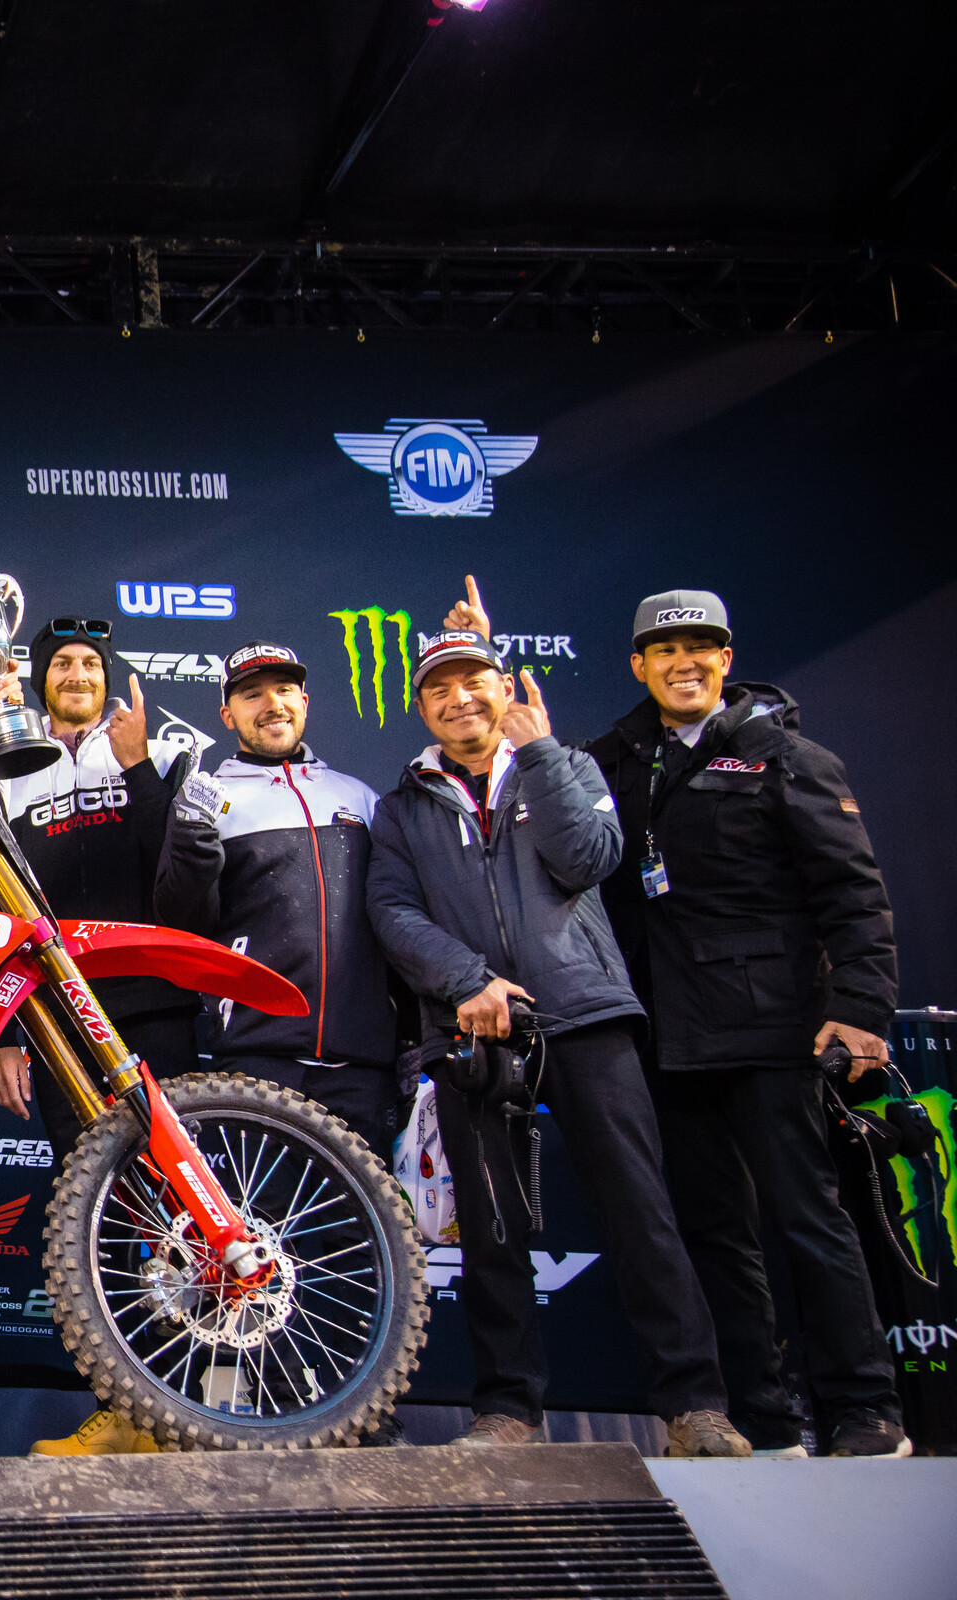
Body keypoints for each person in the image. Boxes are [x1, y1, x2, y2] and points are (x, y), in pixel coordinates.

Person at [366, 587, 749, 1457]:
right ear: (420, 708)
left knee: (640, 1212)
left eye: (474, 681)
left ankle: (695, 1406)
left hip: (586, 1016)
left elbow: (592, 859)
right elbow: (391, 912)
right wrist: (469, 980)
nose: (459, 698)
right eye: (439, 690)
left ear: (505, 690)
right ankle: (509, 1412)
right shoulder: (402, 807)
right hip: (473, 1032)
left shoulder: (566, 765)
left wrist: (536, 755)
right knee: (493, 1228)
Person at [587, 590, 907, 1458]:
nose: (683, 663)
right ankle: (765, 1422)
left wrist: (859, 1008)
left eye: (701, 647)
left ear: (727, 660)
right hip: (667, 1039)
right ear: (638, 665)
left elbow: (852, 894)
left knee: (809, 1219)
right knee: (713, 1236)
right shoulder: (613, 761)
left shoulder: (787, 756)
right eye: (665, 649)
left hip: (774, 1031)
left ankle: (865, 1410)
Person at [0, 618, 199, 1460]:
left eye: (89, 664)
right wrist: (6, 1030)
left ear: (111, 679)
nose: (74, 675)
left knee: (181, 1213)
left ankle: (197, 1401)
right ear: (37, 678)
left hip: (153, 1008)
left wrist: (136, 767)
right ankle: (126, 1408)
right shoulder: (7, 768)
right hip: (61, 1022)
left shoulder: (156, 752)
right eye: (59, 663)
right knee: (92, 1219)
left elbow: (180, 877)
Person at [151, 642, 402, 1157]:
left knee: (362, 1235)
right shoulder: (209, 794)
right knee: (261, 1228)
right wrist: (192, 839)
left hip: (362, 1064)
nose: (272, 705)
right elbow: (183, 923)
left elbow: (398, 916)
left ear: (305, 702)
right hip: (256, 1059)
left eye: (284, 690)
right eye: (252, 694)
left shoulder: (358, 796)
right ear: (227, 714)